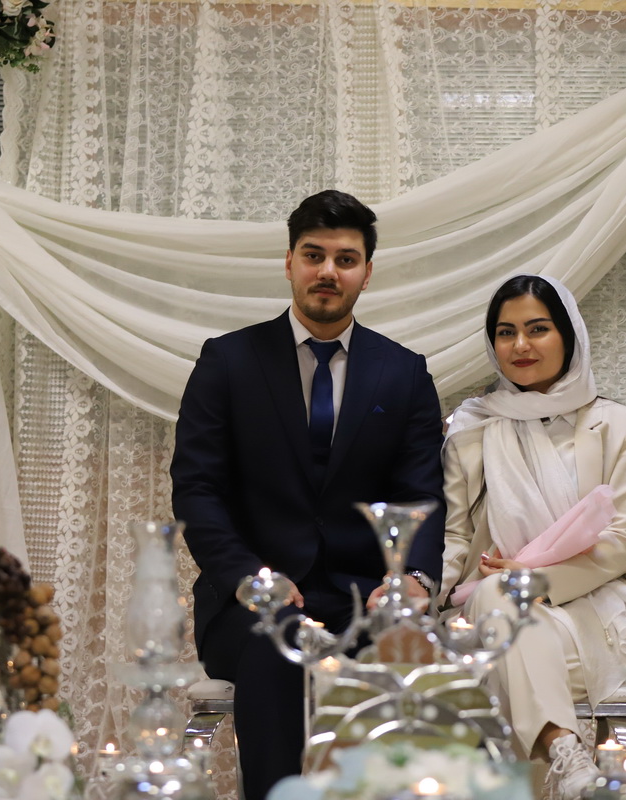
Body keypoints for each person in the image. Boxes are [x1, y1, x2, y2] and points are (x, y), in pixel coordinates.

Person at [171, 189, 446, 800]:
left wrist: (414, 579)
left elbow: (420, 495)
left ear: (366, 273)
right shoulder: (227, 362)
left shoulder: (404, 373)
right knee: (283, 650)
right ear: (289, 262)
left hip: (367, 599)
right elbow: (196, 488)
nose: (328, 271)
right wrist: (248, 576)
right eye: (314, 255)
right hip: (252, 606)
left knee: (416, 657)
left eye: (345, 259)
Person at [437, 274, 626, 800]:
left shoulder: (618, 424)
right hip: (489, 601)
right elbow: (455, 536)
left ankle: (558, 755)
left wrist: (536, 578)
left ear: (568, 335)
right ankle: (565, 752)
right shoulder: (471, 429)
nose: (521, 345)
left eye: (537, 329)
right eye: (506, 332)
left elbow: (624, 538)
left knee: (504, 601)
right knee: (496, 592)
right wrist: (420, 595)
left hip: (590, 600)